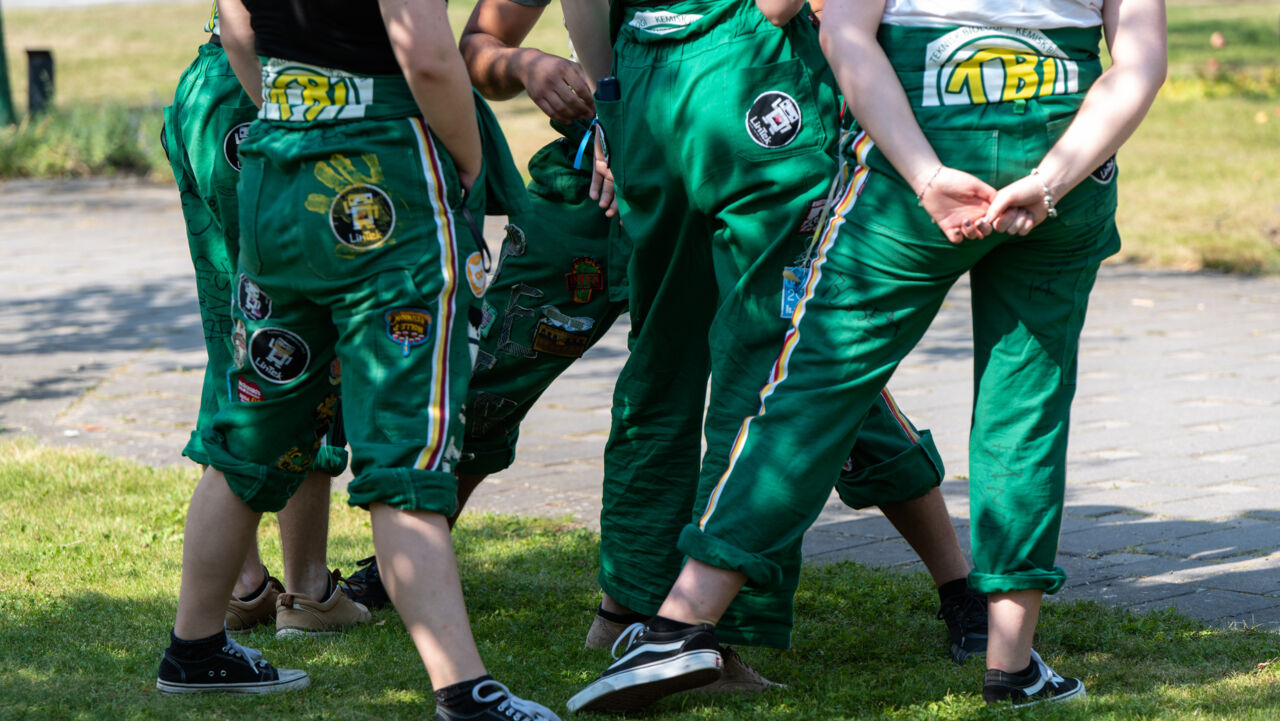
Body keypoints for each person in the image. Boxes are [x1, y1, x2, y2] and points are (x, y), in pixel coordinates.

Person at [335, 0, 988, 674]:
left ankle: (959, 587)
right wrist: (528, 65)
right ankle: (418, 558)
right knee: (505, 366)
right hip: (598, 181)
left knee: (801, 383)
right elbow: (481, 43)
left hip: (726, 140)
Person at [565, 0, 1167, 711]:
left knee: (811, 385)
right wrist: (1048, 181)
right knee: (1027, 407)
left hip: (917, 125)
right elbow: (1141, 61)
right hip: (1063, 139)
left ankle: (681, 622)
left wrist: (922, 174)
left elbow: (843, 29)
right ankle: (1011, 662)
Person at [156, 2, 560, 718]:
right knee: (406, 438)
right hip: (385, 176)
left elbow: (237, 28)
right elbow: (429, 57)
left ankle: (195, 646)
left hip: (277, 161)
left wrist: (294, 123)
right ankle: (464, 690)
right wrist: (467, 163)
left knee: (253, 420)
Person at [161, 2, 369, 638]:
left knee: (241, 336)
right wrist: (291, 122)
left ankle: (247, 586)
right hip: (265, 90)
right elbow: (241, 17)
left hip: (212, 87)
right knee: (298, 334)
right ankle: (305, 592)